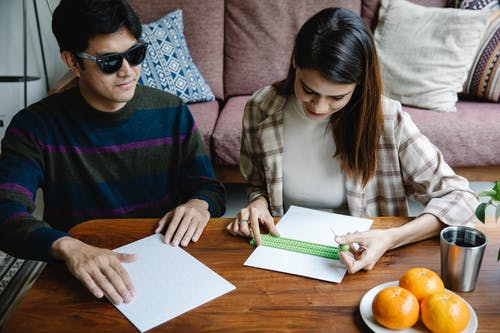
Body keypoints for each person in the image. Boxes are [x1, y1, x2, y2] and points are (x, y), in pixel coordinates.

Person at [0, 0, 225, 305]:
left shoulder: (171, 111)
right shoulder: (32, 127)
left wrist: (199, 204)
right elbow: (6, 213)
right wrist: (68, 247)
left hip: (166, 266)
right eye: (109, 62)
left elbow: (208, 187)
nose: (128, 71)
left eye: (135, 55)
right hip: (82, 275)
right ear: (73, 62)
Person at [226, 7, 477, 274]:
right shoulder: (260, 108)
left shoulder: (387, 120)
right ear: (295, 65)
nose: (319, 107)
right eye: (308, 90)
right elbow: (256, 183)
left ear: (358, 85)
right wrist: (257, 202)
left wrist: (391, 238)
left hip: (364, 260)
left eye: (337, 97)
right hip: (287, 253)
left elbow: (461, 198)